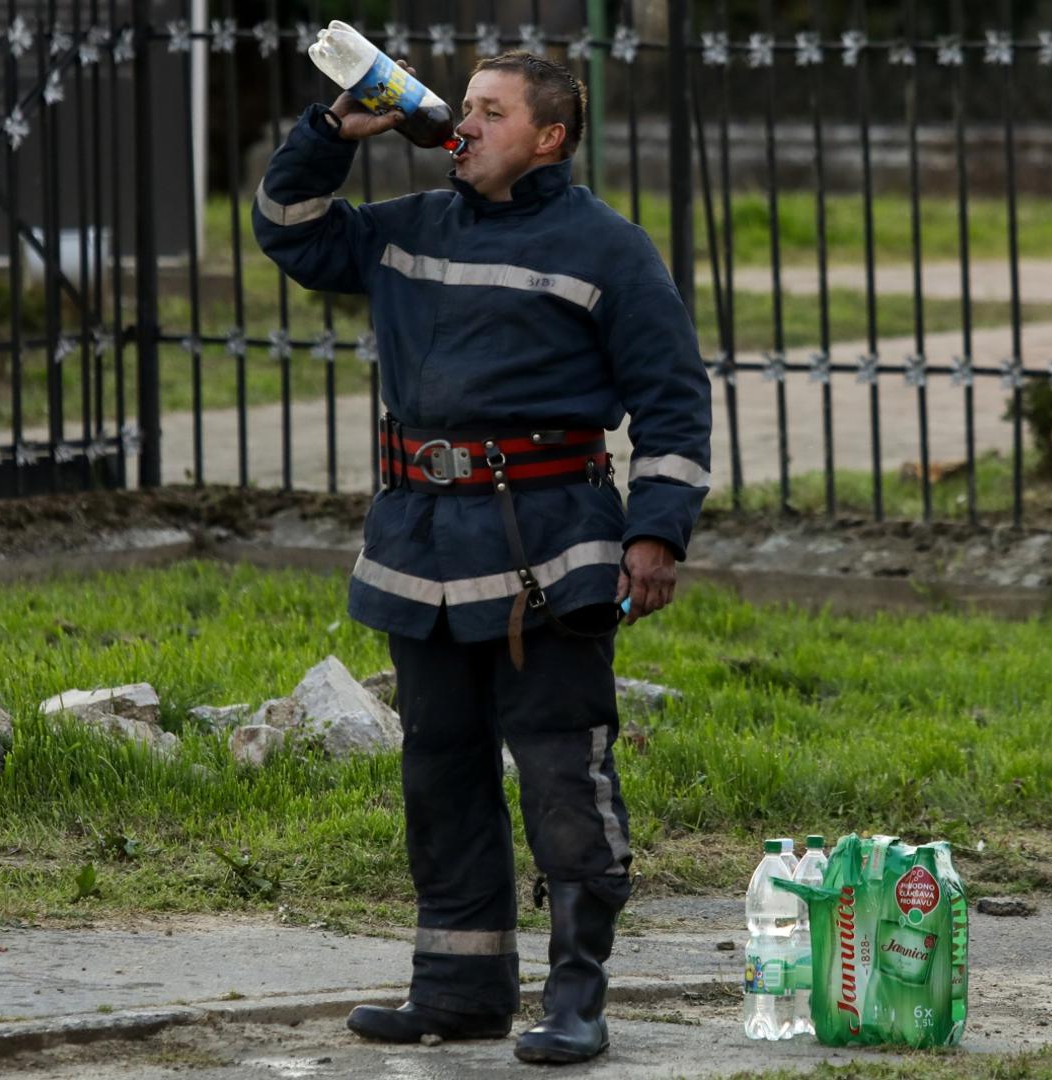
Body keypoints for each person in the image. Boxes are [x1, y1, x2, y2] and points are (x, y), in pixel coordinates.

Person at [252, 50, 711, 1065]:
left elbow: (674, 400)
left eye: (491, 113)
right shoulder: (410, 227)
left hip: (552, 555)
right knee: (441, 776)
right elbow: (288, 229)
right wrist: (329, 133)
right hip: (419, 552)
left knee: (563, 775)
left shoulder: (609, 248)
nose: (464, 125)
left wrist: (655, 533)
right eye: (463, 107)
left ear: (549, 137)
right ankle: (458, 992)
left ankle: (576, 998)